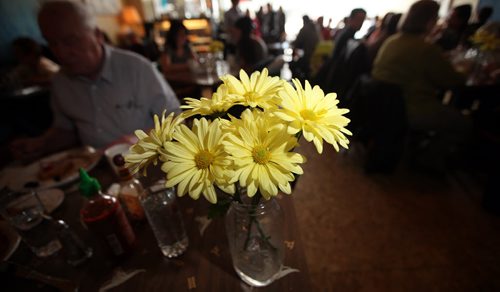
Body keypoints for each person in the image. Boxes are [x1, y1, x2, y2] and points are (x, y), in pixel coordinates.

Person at [10, 0, 180, 160]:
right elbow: (65, 130)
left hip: (148, 162)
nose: (61, 52)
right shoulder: (60, 82)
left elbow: (176, 121)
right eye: (52, 43)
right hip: (95, 174)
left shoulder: (137, 68)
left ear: (97, 35)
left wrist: (135, 141)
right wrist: (41, 143)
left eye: (70, 41)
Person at [372, 0, 468, 172]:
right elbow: (452, 80)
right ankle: (428, 160)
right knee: (462, 123)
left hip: (382, 105)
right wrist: (466, 69)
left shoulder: (392, 41)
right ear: (430, 21)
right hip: (410, 108)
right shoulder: (426, 49)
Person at [291, 15, 321, 80]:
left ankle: (297, 82)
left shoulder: (305, 29)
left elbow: (297, 44)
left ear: (304, 21)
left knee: (292, 65)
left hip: (308, 58)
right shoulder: (315, 28)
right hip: (316, 59)